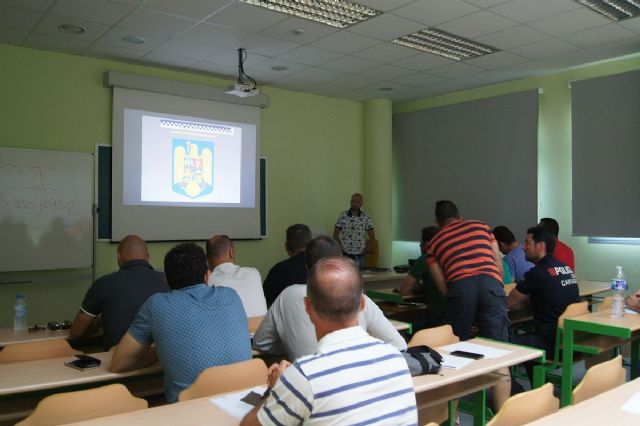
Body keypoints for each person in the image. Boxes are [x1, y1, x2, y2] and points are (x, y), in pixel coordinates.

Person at [241, 257, 417, 426]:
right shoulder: (397, 360)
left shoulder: (304, 376)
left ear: (308, 307)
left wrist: (274, 390)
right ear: (363, 304)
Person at [111, 242, 252, 403]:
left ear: (166, 280)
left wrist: (161, 350)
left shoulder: (156, 305)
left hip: (191, 410)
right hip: (245, 403)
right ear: (207, 276)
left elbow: (119, 363)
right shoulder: (231, 296)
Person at [254, 236, 406, 360]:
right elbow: (398, 345)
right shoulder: (355, 296)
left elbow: (261, 343)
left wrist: (292, 344)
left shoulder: (288, 295)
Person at [427, 200, 509, 342]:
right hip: (490, 284)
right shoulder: (482, 227)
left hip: (461, 287)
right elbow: (498, 266)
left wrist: (457, 301)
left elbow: (441, 286)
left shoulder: (434, 242)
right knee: (498, 342)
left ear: (437, 222)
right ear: (460, 216)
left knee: (459, 342)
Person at [69, 235, 168, 351]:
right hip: (159, 356)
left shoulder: (103, 284)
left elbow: (76, 332)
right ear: (148, 257)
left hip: (117, 357)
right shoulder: (168, 280)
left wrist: (103, 318)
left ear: (119, 256)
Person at [508, 226, 579, 380]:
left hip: (550, 342)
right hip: (570, 338)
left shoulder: (537, 274)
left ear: (540, 246)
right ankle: (538, 387)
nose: (523, 247)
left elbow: (508, 303)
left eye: (527, 243)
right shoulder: (565, 268)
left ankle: (513, 388)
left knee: (501, 342)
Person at [206, 234, 267, 317]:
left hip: (231, 326)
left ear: (207, 259)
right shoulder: (254, 273)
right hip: (260, 325)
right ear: (231, 252)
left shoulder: (207, 282)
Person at [398, 226, 446, 328]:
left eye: (421, 242)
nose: (419, 245)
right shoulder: (449, 256)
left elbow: (403, 291)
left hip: (437, 318)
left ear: (427, 244)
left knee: (403, 326)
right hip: (454, 317)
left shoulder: (425, 259)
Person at [262, 224, 311, 307]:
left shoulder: (278, 270)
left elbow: (263, 301)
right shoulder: (321, 267)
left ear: (286, 246)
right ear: (311, 245)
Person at [333, 193, 375, 269]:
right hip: (345, 254)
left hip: (360, 255)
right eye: (353, 201)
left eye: (358, 202)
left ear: (361, 204)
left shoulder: (366, 217)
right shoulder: (343, 215)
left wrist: (366, 250)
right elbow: (335, 235)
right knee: (345, 274)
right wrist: (340, 248)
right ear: (350, 202)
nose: (355, 204)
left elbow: (372, 237)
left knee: (360, 275)